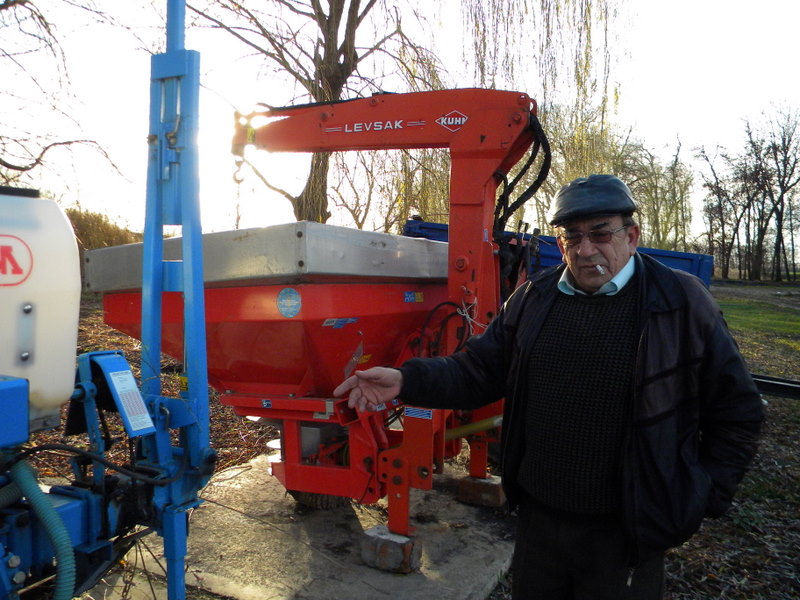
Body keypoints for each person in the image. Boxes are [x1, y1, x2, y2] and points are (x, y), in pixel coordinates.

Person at [333, 174, 763, 600]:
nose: (586, 249)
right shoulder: (534, 299)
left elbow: (738, 411)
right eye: (573, 237)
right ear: (561, 244)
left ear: (631, 236)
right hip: (540, 525)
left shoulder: (680, 302)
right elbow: (477, 371)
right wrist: (406, 379)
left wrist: (699, 498)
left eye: (601, 234)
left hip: (627, 533)